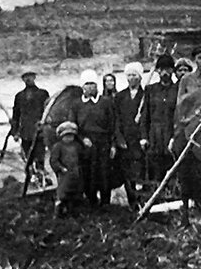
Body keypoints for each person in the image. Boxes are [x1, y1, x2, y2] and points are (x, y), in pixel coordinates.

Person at [72, 69, 116, 207]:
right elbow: (72, 126)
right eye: (87, 84)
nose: (90, 87)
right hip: (86, 144)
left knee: (104, 174)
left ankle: (105, 203)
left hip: (103, 143)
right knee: (88, 174)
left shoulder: (106, 102)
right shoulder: (77, 104)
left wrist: (113, 144)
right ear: (82, 87)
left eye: (93, 84)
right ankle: (92, 201)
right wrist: (81, 138)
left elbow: (114, 124)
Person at [140, 55, 179, 185]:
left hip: (171, 134)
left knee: (173, 168)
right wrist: (144, 137)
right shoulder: (151, 90)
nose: (165, 73)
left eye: (168, 69)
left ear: (173, 71)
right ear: (157, 71)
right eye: (161, 69)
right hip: (154, 136)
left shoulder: (178, 89)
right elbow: (145, 115)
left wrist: (175, 137)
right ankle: (155, 200)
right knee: (154, 169)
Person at [114, 62, 148, 209]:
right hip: (125, 141)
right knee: (127, 172)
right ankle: (131, 201)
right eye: (129, 75)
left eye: (134, 75)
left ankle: (142, 201)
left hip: (140, 140)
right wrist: (119, 138)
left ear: (140, 78)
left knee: (140, 170)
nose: (131, 78)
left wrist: (144, 137)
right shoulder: (120, 97)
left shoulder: (146, 96)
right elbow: (116, 119)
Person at [10, 71, 49, 182]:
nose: (28, 79)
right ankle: (31, 178)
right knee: (27, 158)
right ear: (23, 80)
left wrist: (45, 126)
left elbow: (47, 111)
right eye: (26, 77)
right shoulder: (19, 96)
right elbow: (16, 115)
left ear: (34, 78)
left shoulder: (43, 94)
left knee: (40, 155)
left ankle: (42, 178)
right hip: (25, 132)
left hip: (39, 131)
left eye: (30, 77)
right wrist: (15, 132)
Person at [49, 121, 85, 216]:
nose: (69, 138)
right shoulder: (58, 147)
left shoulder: (77, 146)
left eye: (71, 136)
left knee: (75, 193)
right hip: (65, 174)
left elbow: (82, 156)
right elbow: (53, 160)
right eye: (66, 136)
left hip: (76, 173)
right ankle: (58, 212)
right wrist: (60, 168)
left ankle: (72, 211)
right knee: (63, 193)